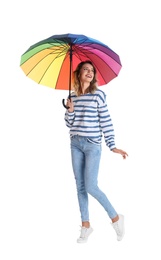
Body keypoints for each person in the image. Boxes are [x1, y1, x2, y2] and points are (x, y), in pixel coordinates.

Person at [64, 60, 128, 243]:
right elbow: (69, 124)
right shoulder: (72, 97)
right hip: (75, 144)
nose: (89, 72)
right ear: (78, 73)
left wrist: (112, 145)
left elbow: (106, 121)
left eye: (91, 70)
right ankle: (85, 225)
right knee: (80, 186)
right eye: (85, 69)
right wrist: (70, 110)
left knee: (91, 185)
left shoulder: (98, 95)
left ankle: (116, 218)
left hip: (93, 145)